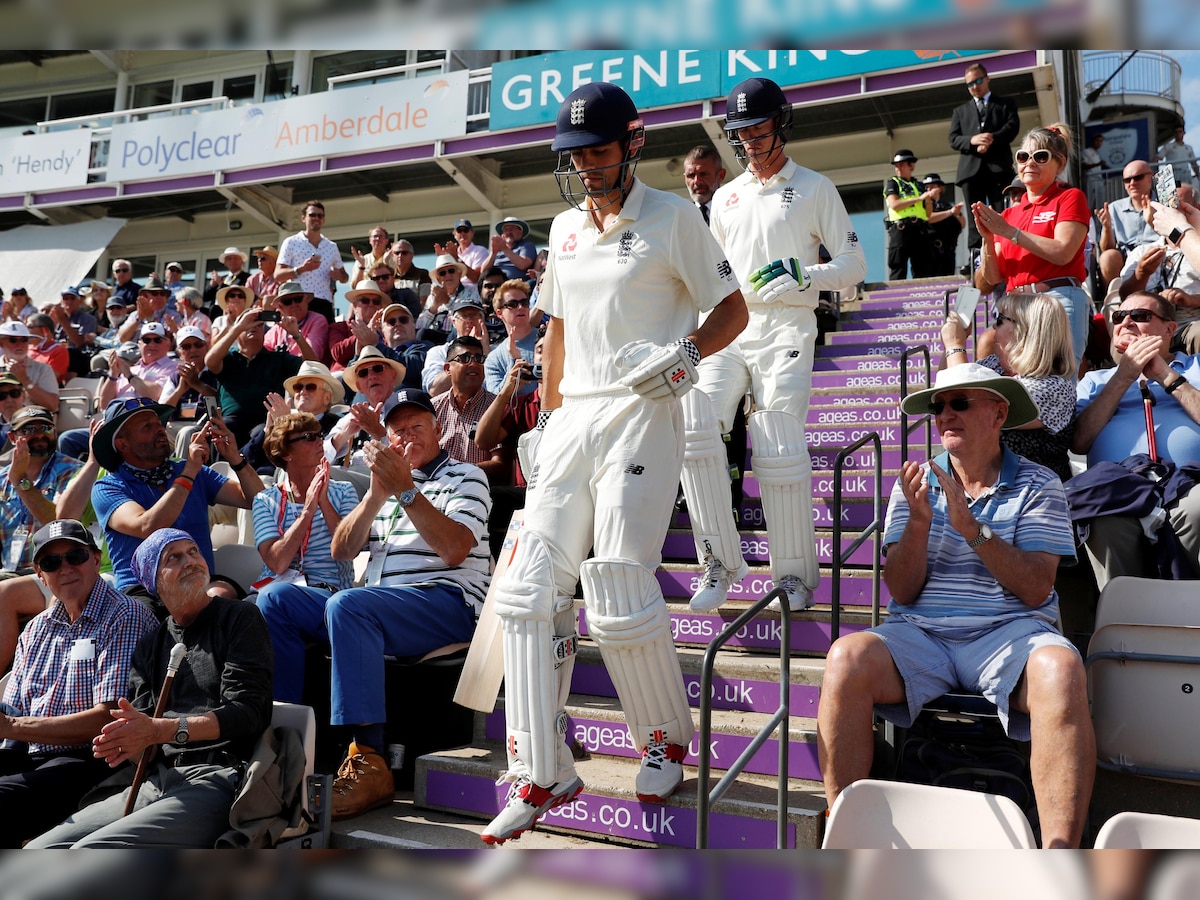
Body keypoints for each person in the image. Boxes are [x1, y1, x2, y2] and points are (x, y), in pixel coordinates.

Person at [482, 81, 746, 845]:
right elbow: (558, 329)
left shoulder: (671, 217)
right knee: (529, 592)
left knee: (619, 583)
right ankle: (542, 768)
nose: (584, 167)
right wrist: (548, 414)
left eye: (595, 151)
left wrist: (687, 354)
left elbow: (732, 309)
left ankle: (663, 741)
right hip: (575, 419)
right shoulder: (564, 228)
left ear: (631, 145)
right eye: (573, 155)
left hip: (641, 410)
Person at [817, 363, 1093, 848]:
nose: (945, 413)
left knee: (1062, 668)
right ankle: (842, 838)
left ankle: (1059, 859)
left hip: (1011, 633)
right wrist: (920, 524)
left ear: (998, 413)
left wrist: (972, 529)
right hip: (923, 635)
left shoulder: (1039, 482)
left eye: (960, 402)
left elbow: (1035, 589)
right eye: (938, 406)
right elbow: (901, 592)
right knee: (845, 658)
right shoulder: (917, 482)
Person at [680, 76, 866, 613]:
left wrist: (805, 276)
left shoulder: (814, 187)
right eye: (742, 135)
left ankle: (792, 576)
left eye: (760, 132)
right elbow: (715, 277)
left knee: (778, 441)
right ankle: (719, 561)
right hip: (729, 327)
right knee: (697, 428)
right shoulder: (727, 197)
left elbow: (855, 266)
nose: (751, 144)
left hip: (787, 324)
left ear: (780, 125)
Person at [267, 389, 490, 819]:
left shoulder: (467, 476)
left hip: (446, 603)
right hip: (378, 605)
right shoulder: (385, 486)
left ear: (438, 430)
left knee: (349, 606)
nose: (408, 436)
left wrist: (407, 492)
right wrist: (375, 497)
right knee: (277, 599)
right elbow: (341, 551)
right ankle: (284, 743)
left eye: (417, 427)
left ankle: (369, 758)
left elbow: (455, 550)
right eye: (398, 430)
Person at [26, 528, 274, 849]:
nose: (190, 561)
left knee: (89, 852)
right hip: (157, 780)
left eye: (193, 551)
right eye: (173, 557)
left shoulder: (240, 617)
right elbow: (146, 735)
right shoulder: (151, 643)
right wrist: (126, 742)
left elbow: (248, 713)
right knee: (38, 850)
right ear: (154, 581)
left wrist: (161, 730)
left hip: (217, 776)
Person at [0, 519, 158, 848]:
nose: (65, 568)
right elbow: (12, 709)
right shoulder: (36, 627)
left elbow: (108, 717)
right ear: (39, 573)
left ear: (96, 558)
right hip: (31, 753)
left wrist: (12, 726)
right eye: (52, 562)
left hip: (93, 759)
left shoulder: (125, 615)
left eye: (75, 556)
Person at [1072, 290, 1200, 585]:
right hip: (1120, 492)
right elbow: (1079, 440)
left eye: (1140, 316)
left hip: (1190, 484)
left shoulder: (1196, 368)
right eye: (1119, 316)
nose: (1126, 322)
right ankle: (1125, 622)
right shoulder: (1095, 381)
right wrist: (1123, 377)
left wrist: (1166, 376)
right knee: (1102, 521)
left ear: (1170, 328)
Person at [90, 397, 264, 604]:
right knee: (140, 616)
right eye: (147, 426)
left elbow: (256, 500)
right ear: (122, 444)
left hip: (200, 583)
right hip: (144, 591)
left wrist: (235, 458)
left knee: (221, 595)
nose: (160, 429)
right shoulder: (107, 487)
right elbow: (148, 526)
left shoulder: (192, 470)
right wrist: (189, 472)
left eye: (158, 424)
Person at [973, 123, 1092, 372]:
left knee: (1056, 383)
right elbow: (992, 278)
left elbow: (1063, 252)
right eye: (1023, 156)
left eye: (1040, 156)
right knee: (1017, 387)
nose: (1030, 163)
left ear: (1059, 164)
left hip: (1057, 299)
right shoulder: (1008, 214)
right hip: (1014, 305)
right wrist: (987, 238)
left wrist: (1007, 232)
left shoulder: (1070, 197)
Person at [941, 293, 1077, 482]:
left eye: (1000, 320)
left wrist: (955, 346)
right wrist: (954, 342)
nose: (993, 327)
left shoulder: (1054, 387)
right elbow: (945, 389)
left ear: (1027, 331)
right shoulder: (993, 365)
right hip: (985, 490)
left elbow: (970, 410)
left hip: (1033, 495)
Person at [252, 413, 358, 626]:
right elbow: (277, 563)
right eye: (309, 437)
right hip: (274, 592)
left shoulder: (344, 491)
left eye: (320, 435)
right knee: (237, 614)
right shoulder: (265, 500)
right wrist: (308, 511)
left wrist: (323, 502)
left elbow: (350, 549)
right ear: (286, 453)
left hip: (329, 595)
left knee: (273, 600)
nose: (320, 441)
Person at [204, 308, 306, 446]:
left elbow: (313, 366)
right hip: (231, 420)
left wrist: (296, 334)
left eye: (259, 324)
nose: (253, 327)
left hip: (264, 421)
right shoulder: (228, 358)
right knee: (224, 428)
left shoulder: (277, 359)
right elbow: (210, 362)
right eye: (249, 323)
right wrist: (238, 327)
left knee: (263, 432)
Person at [948, 61, 1020, 254]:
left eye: (978, 81)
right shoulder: (960, 112)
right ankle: (975, 255)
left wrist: (991, 139)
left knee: (1002, 211)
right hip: (971, 171)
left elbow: (1012, 127)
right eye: (969, 84)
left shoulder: (1005, 104)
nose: (974, 86)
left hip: (999, 169)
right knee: (974, 216)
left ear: (987, 79)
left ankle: (1005, 250)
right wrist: (973, 140)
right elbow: (953, 139)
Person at [0, 407, 81, 575]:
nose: (39, 434)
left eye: (46, 428)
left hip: (55, 570)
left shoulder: (73, 471)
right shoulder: (2, 478)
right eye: (28, 429)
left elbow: (59, 523)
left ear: (55, 431)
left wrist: (21, 481)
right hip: (8, 571)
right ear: (12, 437)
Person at [240, 361, 344, 474]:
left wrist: (285, 427)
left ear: (327, 398)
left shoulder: (337, 424)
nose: (302, 392)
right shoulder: (279, 417)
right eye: (298, 387)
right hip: (263, 483)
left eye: (310, 387)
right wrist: (268, 431)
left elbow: (318, 459)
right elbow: (244, 460)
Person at [433, 336, 505, 483]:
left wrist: (458, 473)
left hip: (479, 488)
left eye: (479, 359)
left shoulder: (497, 407)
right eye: (465, 358)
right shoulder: (432, 408)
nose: (473, 363)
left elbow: (499, 463)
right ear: (448, 369)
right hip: (435, 486)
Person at [325, 347, 405, 466]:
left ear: (393, 375)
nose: (371, 376)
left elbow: (410, 458)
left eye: (377, 369)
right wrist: (344, 434)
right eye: (363, 373)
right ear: (359, 386)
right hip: (349, 478)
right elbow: (320, 458)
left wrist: (377, 431)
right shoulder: (352, 417)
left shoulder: (407, 409)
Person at [275, 200, 348, 323]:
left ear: (324, 220)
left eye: (320, 215)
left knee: (324, 341)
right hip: (298, 300)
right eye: (312, 215)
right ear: (303, 218)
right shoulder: (291, 242)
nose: (316, 218)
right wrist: (301, 269)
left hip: (324, 302)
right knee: (298, 339)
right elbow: (277, 275)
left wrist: (339, 276)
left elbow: (345, 277)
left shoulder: (331, 246)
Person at [1096, 160, 1160, 287]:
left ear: (1150, 178)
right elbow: (1107, 249)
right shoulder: (1114, 208)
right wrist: (1107, 227)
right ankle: (1116, 300)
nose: (1132, 183)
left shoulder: (1163, 205)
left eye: (1138, 177)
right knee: (1108, 257)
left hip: (1157, 255)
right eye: (1127, 180)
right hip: (1126, 258)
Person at [421, 297, 493, 396]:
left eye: (474, 315)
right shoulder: (438, 352)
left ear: (483, 320)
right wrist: (464, 352)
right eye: (464, 316)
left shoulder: (496, 351)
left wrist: (486, 351)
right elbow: (435, 390)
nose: (469, 320)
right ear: (454, 322)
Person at [884, 149, 934, 280]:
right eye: (896, 165)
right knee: (898, 266)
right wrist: (919, 199)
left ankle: (923, 296)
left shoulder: (920, 185)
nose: (898, 168)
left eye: (902, 164)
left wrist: (928, 199)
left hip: (920, 229)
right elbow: (894, 204)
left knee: (923, 267)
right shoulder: (893, 183)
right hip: (901, 228)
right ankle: (894, 298)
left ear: (911, 165)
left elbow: (928, 214)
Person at [484, 278, 537, 397]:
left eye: (524, 303)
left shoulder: (547, 338)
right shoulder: (494, 358)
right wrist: (514, 361)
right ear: (499, 313)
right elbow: (494, 400)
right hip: (521, 415)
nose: (520, 307)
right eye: (512, 304)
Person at [416, 254, 481, 343]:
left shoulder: (472, 292)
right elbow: (419, 326)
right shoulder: (433, 297)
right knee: (422, 334)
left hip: (458, 336)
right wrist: (434, 307)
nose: (447, 275)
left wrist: (447, 302)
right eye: (442, 273)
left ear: (459, 273)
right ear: (438, 279)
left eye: (451, 271)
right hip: (435, 337)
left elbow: (467, 320)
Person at [0, 321, 59, 412]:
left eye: (24, 340)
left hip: (32, 424)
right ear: (1, 343)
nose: (19, 345)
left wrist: (24, 380)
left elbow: (52, 405)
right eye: (13, 340)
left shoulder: (43, 370)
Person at [263, 281, 328, 362]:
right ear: (280, 307)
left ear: (306, 300)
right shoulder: (276, 330)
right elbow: (262, 358)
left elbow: (313, 361)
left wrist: (296, 335)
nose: (293, 304)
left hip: (306, 373)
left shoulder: (317, 320)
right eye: (287, 301)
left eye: (298, 299)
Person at [48, 284, 97, 381]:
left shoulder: (88, 319)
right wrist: (51, 323)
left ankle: (67, 386)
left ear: (79, 300)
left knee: (71, 353)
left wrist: (62, 321)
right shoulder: (57, 318)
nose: (69, 301)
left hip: (80, 356)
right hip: (58, 353)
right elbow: (48, 339)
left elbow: (79, 342)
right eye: (65, 298)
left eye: (72, 298)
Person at [923, 174, 966, 277]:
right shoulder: (923, 204)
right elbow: (928, 218)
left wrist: (957, 213)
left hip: (947, 252)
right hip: (929, 252)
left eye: (932, 186)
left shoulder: (946, 205)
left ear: (940, 188)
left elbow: (963, 224)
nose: (929, 189)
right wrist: (950, 212)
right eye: (927, 187)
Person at [683, 144, 726, 225]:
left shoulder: (735, 212)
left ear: (721, 175)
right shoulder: (680, 218)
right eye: (691, 175)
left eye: (703, 174)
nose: (697, 181)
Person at [439, 218, 489, 287]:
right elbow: (443, 279)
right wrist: (441, 259)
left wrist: (457, 258)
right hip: (453, 292)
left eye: (466, 230)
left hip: (473, 292)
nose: (462, 233)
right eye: (459, 230)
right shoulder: (450, 254)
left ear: (472, 233)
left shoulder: (480, 250)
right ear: (454, 234)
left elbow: (476, 278)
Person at [485, 216, 537, 281]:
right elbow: (483, 271)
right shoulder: (498, 250)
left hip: (516, 285)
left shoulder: (526, 245)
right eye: (506, 230)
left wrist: (505, 249)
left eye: (512, 229)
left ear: (520, 232)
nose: (508, 232)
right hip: (496, 285)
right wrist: (493, 253)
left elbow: (523, 264)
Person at [23, 313, 69, 384]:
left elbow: (49, 378)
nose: (26, 331)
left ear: (44, 330)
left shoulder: (59, 351)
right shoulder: (26, 349)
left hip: (45, 391)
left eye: (29, 327)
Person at [1155, 123, 1200, 192]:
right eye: (1176, 132)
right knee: (1177, 193)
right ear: (1174, 134)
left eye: (1180, 132)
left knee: (1188, 192)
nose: (1178, 134)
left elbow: (1194, 163)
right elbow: (1157, 157)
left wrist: (1198, 175)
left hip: (1186, 173)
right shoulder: (1168, 146)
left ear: (1184, 133)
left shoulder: (1188, 148)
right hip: (1174, 174)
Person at [1082, 133, 1107, 210]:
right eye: (1097, 141)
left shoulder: (1097, 153)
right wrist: (1097, 164)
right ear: (1093, 141)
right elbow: (1084, 165)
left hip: (1099, 180)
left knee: (1100, 203)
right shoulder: (1086, 151)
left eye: (1101, 141)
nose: (1099, 143)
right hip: (1091, 179)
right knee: (1090, 202)